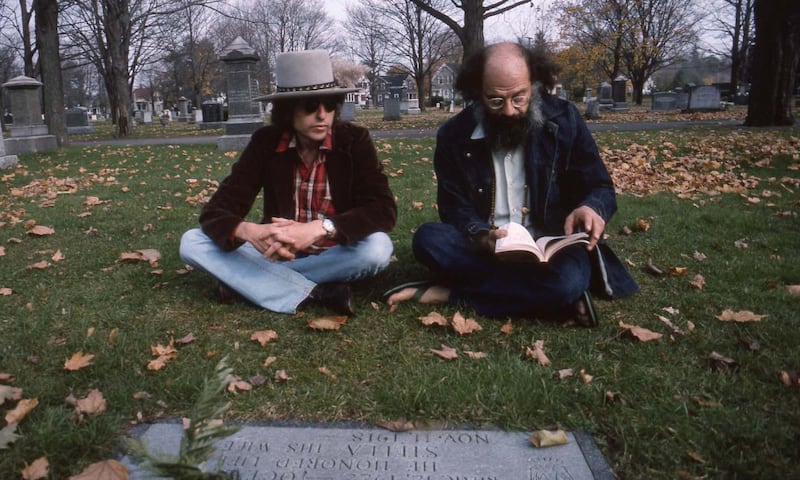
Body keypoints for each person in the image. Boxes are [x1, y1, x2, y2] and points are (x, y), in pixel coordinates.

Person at [385, 42, 637, 326]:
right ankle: (549, 298)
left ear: (534, 85)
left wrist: (592, 208)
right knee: (428, 239)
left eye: (519, 98)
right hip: (486, 249)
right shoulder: (453, 136)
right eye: (495, 100)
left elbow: (600, 186)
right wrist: (482, 237)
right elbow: (453, 208)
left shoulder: (564, 120)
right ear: (477, 92)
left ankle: (451, 293)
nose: (508, 111)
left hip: (550, 251)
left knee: (567, 280)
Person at [180, 49, 396, 316]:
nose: (322, 115)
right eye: (309, 106)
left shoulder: (354, 140)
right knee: (191, 242)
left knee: (378, 248)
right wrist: (248, 231)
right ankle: (316, 293)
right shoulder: (266, 142)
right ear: (287, 110)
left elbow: (383, 210)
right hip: (277, 250)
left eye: (329, 105)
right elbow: (217, 210)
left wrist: (322, 228)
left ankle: (244, 283)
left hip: (336, 250)